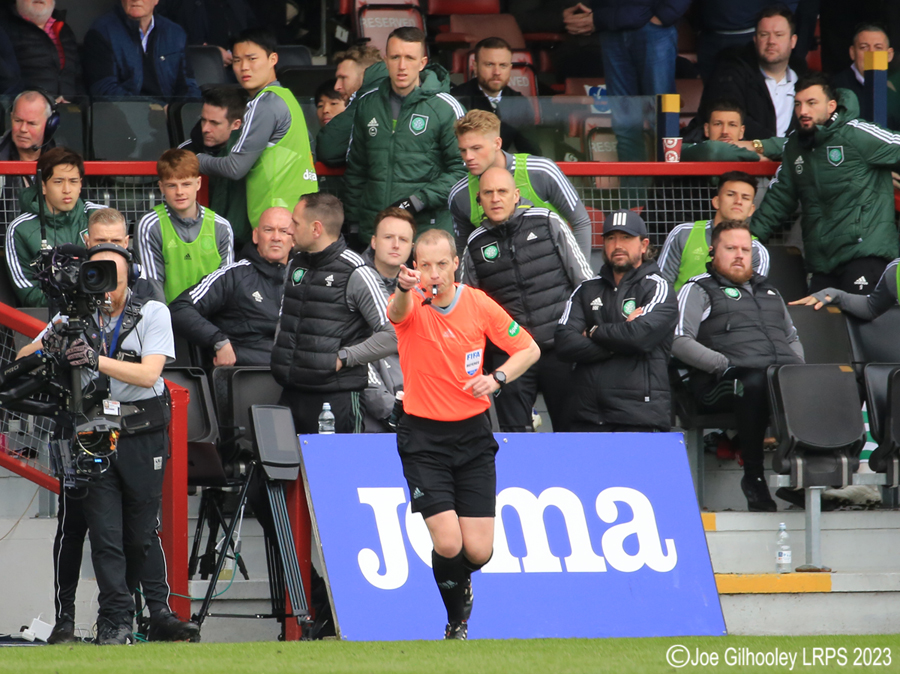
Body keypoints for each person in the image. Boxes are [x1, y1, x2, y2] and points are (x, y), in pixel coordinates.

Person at [18, 240, 181, 645]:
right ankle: (115, 621)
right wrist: (52, 348)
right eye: (95, 274)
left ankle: (153, 612)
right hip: (93, 433)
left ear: (130, 278)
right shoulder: (73, 314)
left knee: (140, 533)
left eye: (112, 276)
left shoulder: (152, 311)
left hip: (143, 431)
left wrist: (94, 358)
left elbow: (148, 376)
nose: (103, 286)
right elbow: (24, 355)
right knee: (104, 534)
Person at [389, 228, 540, 639]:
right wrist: (405, 289)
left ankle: (462, 581)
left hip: (473, 435)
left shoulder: (476, 302)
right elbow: (398, 312)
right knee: (450, 543)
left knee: (479, 550)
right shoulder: (410, 303)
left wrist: (498, 378)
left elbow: (529, 348)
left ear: (456, 264)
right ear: (414, 268)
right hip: (422, 438)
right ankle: (456, 622)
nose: (433, 274)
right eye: (424, 266)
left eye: (442, 264)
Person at [673, 219, 804, 511]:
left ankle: (805, 478)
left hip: (774, 377)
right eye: (730, 248)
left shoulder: (770, 292)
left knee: (827, 381)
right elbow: (679, 340)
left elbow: (792, 337)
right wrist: (724, 365)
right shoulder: (698, 289)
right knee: (752, 383)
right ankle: (754, 478)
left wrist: (797, 370)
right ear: (713, 252)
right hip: (718, 383)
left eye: (745, 249)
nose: (739, 254)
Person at [460, 167, 593, 432]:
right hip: (510, 355)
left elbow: (585, 282)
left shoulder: (546, 220)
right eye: (488, 193)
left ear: (516, 195)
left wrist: (584, 330)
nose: (495, 198)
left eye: (502, 191)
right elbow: (466, 309)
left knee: (573, 432)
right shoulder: (474, 245)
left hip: (561, 349)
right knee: (514, 438)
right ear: (479, 200)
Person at [750, 72, 900, 294]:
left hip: (865, 254)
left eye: (812, 103)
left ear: (831, 105)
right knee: (821, 326)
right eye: (798, 104)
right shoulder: (794, 146)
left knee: (860, 326)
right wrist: (749, 239)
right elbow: (779, 199)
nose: (803, 111)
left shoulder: (856, 133)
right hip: (822, 264)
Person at [271, 193, 397, 434]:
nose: (289, 229)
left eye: (295, 223)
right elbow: (284, 320)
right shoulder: (296, 264)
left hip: (334, 400)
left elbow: (392, 335)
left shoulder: (357, 272)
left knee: (333, 471)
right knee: (286, 471)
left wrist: (343, 357)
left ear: (316, 228)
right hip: (290, 392)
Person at [554, 209, 676, 432]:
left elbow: (640, 337)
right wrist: (620, 341)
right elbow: (563, 342)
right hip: (587, 415)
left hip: (639, 416)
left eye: (626, 237)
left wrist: (593, 331)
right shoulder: (586, 289)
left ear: (643, 244)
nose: (618, 244)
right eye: (611, 238)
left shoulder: (657, 287)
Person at [344, 27, 466, 247]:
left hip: (427, 235)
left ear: (422, 63)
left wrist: (418, 200)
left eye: (410, 58)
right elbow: (356, 170)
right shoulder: (367, 104)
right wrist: (354, 223)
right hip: (376, 234)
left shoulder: (445, 108)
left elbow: (462, 169)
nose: (402, 66)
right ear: (385, 60)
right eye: (395, 57)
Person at [197, 28, 318, 230]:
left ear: (273, 59)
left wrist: (196, 160)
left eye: (252, 58)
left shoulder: (265, 102)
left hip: (276, 222)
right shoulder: (288, 98)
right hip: (297, 216)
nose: (244, 67)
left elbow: (235, 168)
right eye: (236, 60)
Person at [449, 110, 593, 260]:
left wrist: (581, 279)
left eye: (476, 148)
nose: (468, 157)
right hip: (500, 276)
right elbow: (463, 250)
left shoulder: (542, 171)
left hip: (554, 274)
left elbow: (580, 222)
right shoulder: (460, 194)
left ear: (497, 143)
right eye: (463, 150)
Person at [169, 207, 292, 366]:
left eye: (283, 231)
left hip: (296, 376)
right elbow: (179, 308)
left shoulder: (306, 279)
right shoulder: (234, 275)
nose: (276, 237)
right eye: (268, 230)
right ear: (255, 236)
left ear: (294, 239)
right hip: (246, 376)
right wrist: (219, 341)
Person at [686, 5, 805, 144]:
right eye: (764, 35)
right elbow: (729, 118)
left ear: (793, 41)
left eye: (779, 35)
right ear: (755, 40)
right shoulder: (731, 73)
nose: (771, 41)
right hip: (744, 161)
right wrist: (776, 147)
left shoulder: (806, 83)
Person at [592, 0, 691, 162]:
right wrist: (600, 15)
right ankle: (632, 188)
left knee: (663, 122)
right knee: (624, 125)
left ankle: (666, 186)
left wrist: (665, 14)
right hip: (612, 29)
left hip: (654, 28)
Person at [6, 147, 102, 307]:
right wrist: (70, 306)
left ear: (80, 185)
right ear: (43, 186)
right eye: (58, 182)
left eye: (73, 181)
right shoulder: (20, 230)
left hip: (102, 315)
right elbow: (28, 293)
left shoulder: (99, 216)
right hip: (48, 319)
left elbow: (121, 274)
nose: (67, 190)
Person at [136, 148, 234, 304]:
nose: (180, 192)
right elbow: (152, 283)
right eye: (171, 186)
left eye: (186, 184)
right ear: (161, 187)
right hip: (168, 321)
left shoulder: (221, 227)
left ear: (198, 183)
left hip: (209, 321)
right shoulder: (150, 225)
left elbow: (225, 285)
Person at [659, 171, 770, 291]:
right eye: (731, 194)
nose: (738, 201)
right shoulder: (683, 233)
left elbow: (754, 297)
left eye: (745, 198)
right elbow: (661, 285)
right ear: (716, 201)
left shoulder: (757, 251)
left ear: (751, 209)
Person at [179, 86, 252, 250]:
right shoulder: (186, 152)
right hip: (192, 242)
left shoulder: (253, 154)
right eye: (203, 120)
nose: (205, 128)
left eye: (214, 123)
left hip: (243, 243)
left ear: (236, 124)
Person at [361, 207, 414, 430]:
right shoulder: (353, 281)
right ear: (373, 242)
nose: (395, 245)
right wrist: (395, 411)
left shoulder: (422, 290)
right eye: (388, 237)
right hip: (373, 406)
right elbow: (358, 363)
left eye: (403, 239)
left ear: (412, 247)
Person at [83, 0, 201, 100]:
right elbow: (104, 90)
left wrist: (177, 112)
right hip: (124, 119)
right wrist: (155, 110)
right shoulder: (101, 32)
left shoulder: (175, 33)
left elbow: (187, 86)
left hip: (170, 117)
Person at [449, 37, 540, 155]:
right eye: (489, 64)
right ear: (475, 67)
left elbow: (531, 153)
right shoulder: (456, 99)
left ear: (510, 68)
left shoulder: (519, 102)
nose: (497, 72)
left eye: (503, 65)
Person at [316, 44, 387, 169]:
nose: (337, 86)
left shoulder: (372, 100)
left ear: (364, 76)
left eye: (343, 78)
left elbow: (329, 149)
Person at [694, 0, 800, 82]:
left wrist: (771, 26)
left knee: (756, 96)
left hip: (753, 35)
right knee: (711, 98)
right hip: (710, 38)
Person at [0, 0, 82, 99]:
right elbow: (6, 80)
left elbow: (78, 77)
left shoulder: (65, 30)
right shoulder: (4, 26)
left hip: (68, 110)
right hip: (22, 110)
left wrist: (80, 104)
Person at [830, 23, 900, 130]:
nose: (871, 53)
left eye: (878, 48)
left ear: (889, 55)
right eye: (864, 47)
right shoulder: (835, 87)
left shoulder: (896, 86)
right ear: (852, 52)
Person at [681, 100, 786, 162]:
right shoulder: (689, 146)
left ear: (741, 131)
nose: (725, 131)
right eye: (718, 124)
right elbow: (713, 150)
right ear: (706, 129)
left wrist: (753, 145)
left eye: (732, 125)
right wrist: (757, 158)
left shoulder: (749, 147)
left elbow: (791, 145)